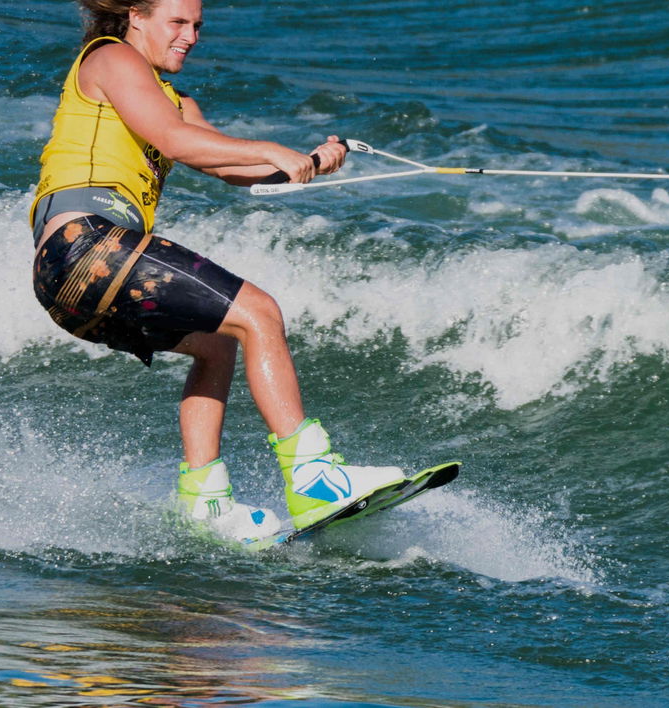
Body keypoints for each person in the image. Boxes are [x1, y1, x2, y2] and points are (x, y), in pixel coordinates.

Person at [30, 0, 403, 543]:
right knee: (259, 312)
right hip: (85, 244)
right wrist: (275, 148)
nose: (191, 36)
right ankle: (316, 479)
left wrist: (312, 161)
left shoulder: (176, 100)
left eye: (198, 26)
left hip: (66, 284)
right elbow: (178, 143)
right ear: (136, 15)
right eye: (177, 22)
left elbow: (227, 165)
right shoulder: (112, 58)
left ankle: (203, 503)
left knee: (218, 343)